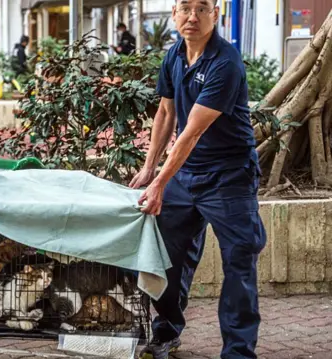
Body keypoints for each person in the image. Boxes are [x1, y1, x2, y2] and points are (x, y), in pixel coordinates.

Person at [130, 1, 266, 359]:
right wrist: (148, 167)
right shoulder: (174, 54)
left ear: (215, 14)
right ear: (174, 14)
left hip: (229, 176)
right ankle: (167, 331)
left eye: (202, 8)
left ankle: (238, 352)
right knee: (165, 258)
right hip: (186, 174)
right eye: (185, 8)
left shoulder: (226, 61)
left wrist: (158, 182)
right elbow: (165, 111)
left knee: (239, 261)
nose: (192, 16)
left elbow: (190, 133)